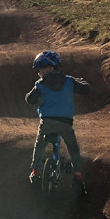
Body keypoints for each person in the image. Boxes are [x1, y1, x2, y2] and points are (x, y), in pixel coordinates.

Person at [25, 50, 90, 193]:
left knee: (40, 145)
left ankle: (36, 172)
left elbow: (29, 100)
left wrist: (38, 92)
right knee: (73, 148)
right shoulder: (69, 81)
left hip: (47, 122)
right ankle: (78, 176)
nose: (41, 72)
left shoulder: (40, 84)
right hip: (65, 122)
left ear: (48, 69)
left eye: (41, 70)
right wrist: (80, 81)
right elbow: (86, 89)